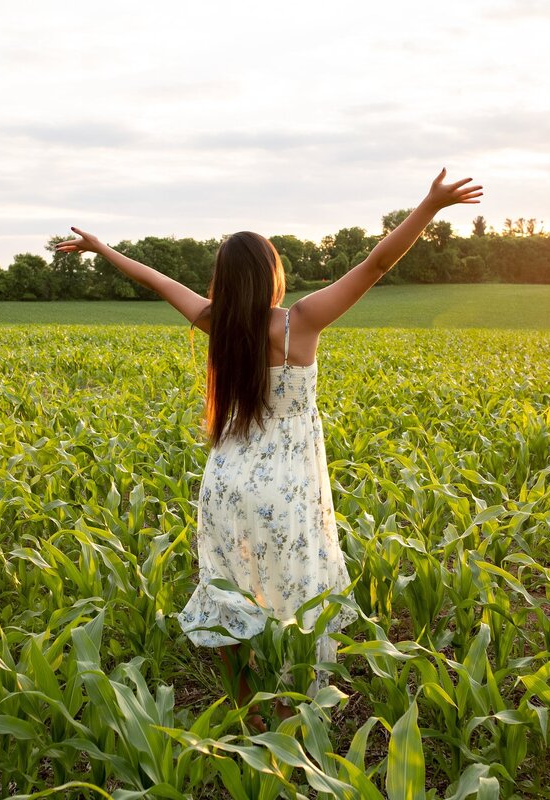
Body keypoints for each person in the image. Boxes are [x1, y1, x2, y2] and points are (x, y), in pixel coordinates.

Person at [56, 169, 482, 730]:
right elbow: (376, 265)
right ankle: (291, 716)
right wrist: (428, 206)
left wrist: (101, 249)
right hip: (283, 487)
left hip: (225, 482)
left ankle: (245, 710)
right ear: (272, 275)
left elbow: (156, 280)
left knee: (230, 596)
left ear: (224, 282)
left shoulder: (217, 324)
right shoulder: (298, 322)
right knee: (294, 601)